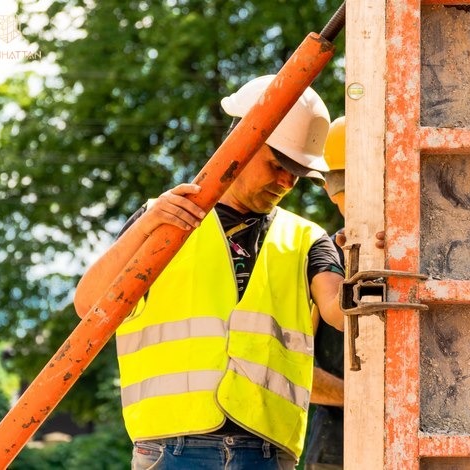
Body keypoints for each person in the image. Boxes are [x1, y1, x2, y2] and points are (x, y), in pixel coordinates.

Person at [74, 75, 347, 470]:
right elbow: (90, 305)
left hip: (267, 450)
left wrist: (370, 256)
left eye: (297, 173)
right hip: (170, 447)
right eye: (278, 165)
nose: (287, 182)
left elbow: (339, 308)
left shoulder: (307, 238)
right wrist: (148, 225)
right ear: (240, 143)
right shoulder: (164, 220)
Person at [303, 116, 384, 470]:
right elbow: (297, 374)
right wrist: (368, 398)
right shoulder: (323, 261)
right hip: (338, 451)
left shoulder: (415, 254)